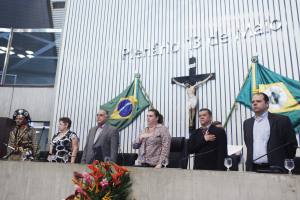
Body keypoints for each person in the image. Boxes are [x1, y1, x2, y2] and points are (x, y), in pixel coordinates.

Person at [243, 93, 298, 172]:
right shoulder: (247, 123)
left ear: (267, 104)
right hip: (253, 168)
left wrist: (282, 161)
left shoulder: (282, 120)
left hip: (276, 168)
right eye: (253, 102)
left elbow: (291, 144)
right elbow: (248, 144)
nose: (255, 103)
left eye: (258, 101)